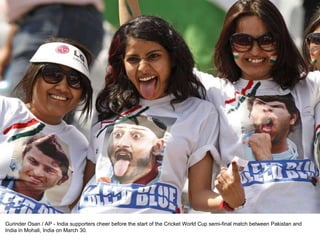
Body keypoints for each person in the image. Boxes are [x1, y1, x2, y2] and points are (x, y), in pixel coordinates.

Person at [74, 11, 245, 213]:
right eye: (133, 59)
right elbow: (87, 183)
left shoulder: (199, 112)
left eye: (154, 56)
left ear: (172, 59)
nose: (143, 68)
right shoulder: (109, 106)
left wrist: (230, 200)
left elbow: (199, 196)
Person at [200, 0, 320, 213]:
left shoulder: (308, 86)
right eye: (242, 41)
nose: (255, 51)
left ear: (281, 42)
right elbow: (138, 43)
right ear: (229, 44)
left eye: (267, 40)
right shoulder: (215, 91)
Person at [0, 37, 94, 213]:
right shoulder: (4, 109)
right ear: (33, 76)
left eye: (75, 80)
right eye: (52, 74)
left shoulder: (80, 144)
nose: (63, 87)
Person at [0, 0, 105, 98]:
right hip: (46, 18)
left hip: (51, 18)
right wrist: (9, 46)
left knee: (21, 107)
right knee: (57, 107)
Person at [1, 134, 70, 202]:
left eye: (49, 170)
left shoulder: (51, 212)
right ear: (23, 154)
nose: (37, 173)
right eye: (33, 162)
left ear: (62, 179)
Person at [98, 115, 165, 185]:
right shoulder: (102, 178)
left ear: (157, 147)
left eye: (136, 136)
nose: (122, 143)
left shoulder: (167, 180)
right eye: (118, 135)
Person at [243, 94, 300, 161]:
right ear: (250, 116)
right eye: (260, 104)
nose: (267, 108)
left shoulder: (298, 162)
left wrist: (264, 159)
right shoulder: (233, 148)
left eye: (276, 106)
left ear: (293, 118)